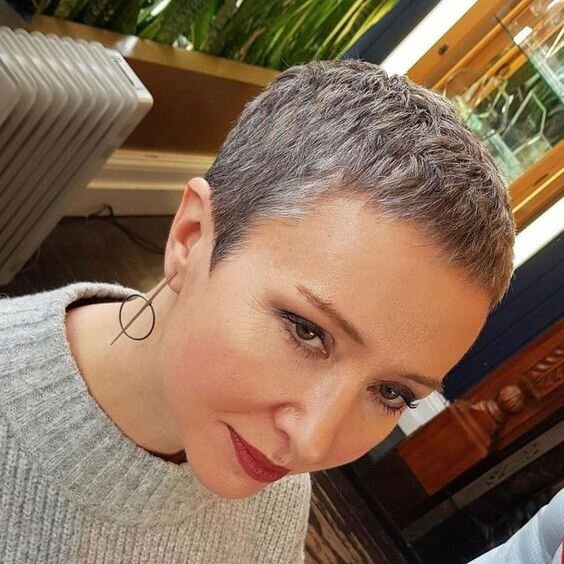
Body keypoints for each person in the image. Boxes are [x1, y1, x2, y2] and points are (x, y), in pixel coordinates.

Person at [0, 59, 515, 563]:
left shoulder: (274, 492)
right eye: (307, 331)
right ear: (190, 238)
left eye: (391, 393)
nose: (311, 443)